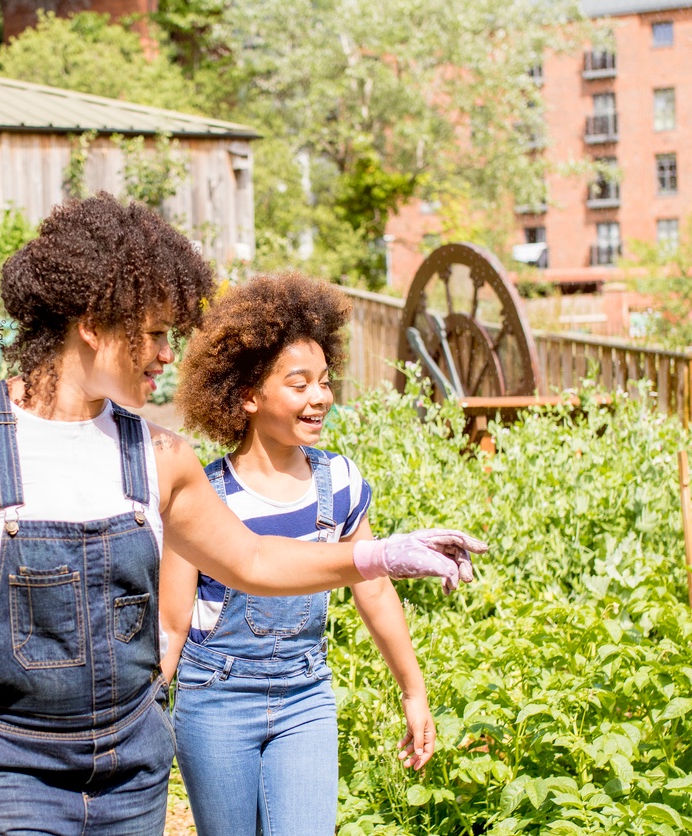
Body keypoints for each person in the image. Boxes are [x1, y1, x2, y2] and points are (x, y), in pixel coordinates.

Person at [0, 194, 486, 836]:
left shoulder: (160, 456)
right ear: (93, 324)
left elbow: (251, 559)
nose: (170, 355)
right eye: (154, 335)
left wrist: (378, 554)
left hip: (127, 771)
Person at [160, 273, 453, 836]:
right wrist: (144, 719)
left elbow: (372, 586)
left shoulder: (338, 482)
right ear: (247, 395)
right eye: (299, 384)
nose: (320, 396)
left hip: (306, 693)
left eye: (324, 381)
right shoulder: (203, 495)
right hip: (215, 699)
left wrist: (414, 692)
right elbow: (172, 626)